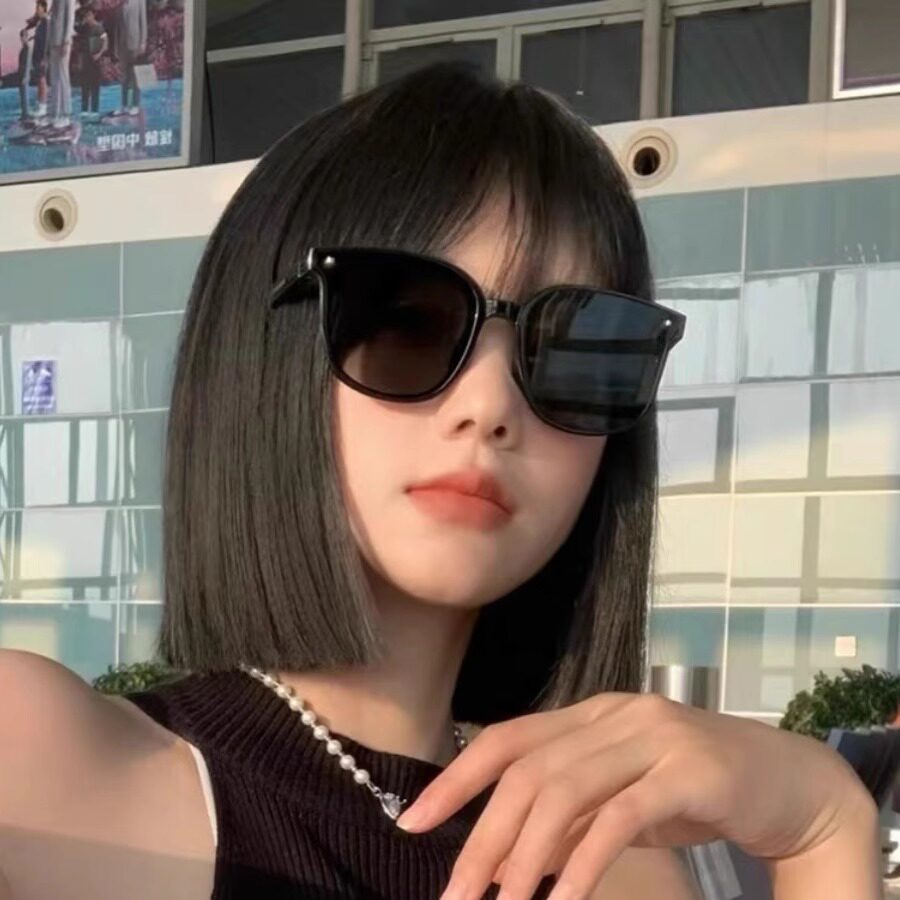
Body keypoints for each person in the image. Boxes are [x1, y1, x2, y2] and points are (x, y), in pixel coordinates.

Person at [0, 63, 881, 900]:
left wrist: (823, 823)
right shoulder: (43, 764)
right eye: (407, 326)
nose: (491, 406)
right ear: (262, 357)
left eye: (571, 351)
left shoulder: (616, 863)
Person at [112, 0, 146, 116]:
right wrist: (116, 47)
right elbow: (117, 27)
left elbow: (143, 22)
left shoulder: (140, 2)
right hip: (122, 46)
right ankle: (124, 105)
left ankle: (135, 105)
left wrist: (143, 42)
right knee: (124, 77)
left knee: (135, 76)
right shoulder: (120, 4)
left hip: (135, 43)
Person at [17, 0, 49, 122]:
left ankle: (43, 107)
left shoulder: (46, 22)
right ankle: (40, 104)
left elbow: (47, 40)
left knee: (42, 80)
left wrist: (45, 57)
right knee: (39, 80)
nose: (36, 10)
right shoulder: (40, 22)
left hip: (42, 56)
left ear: (44, 8)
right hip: (37, 55)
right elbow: (32, 25)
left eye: (38, 8)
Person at [46, 0, 75, 132]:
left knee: (63, 79)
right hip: (53, 42)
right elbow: (52, 20)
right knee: (54, 80)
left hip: (62, 43)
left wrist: (66, 41)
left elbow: (70, 19)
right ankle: (54, 113)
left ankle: (65, 114)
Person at [76, 3, 107, 115]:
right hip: (86, 59)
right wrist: (80, 60)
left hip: (96, 60)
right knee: (85, 85)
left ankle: (94, 109)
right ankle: (84, 109)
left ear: (93, 15)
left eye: (89, 15)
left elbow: (105, 43)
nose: (88, 17)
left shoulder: (99, 27)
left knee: (95, 86)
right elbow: (80, 46)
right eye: (86, 15)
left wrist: (99, 54)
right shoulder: (84, 28)